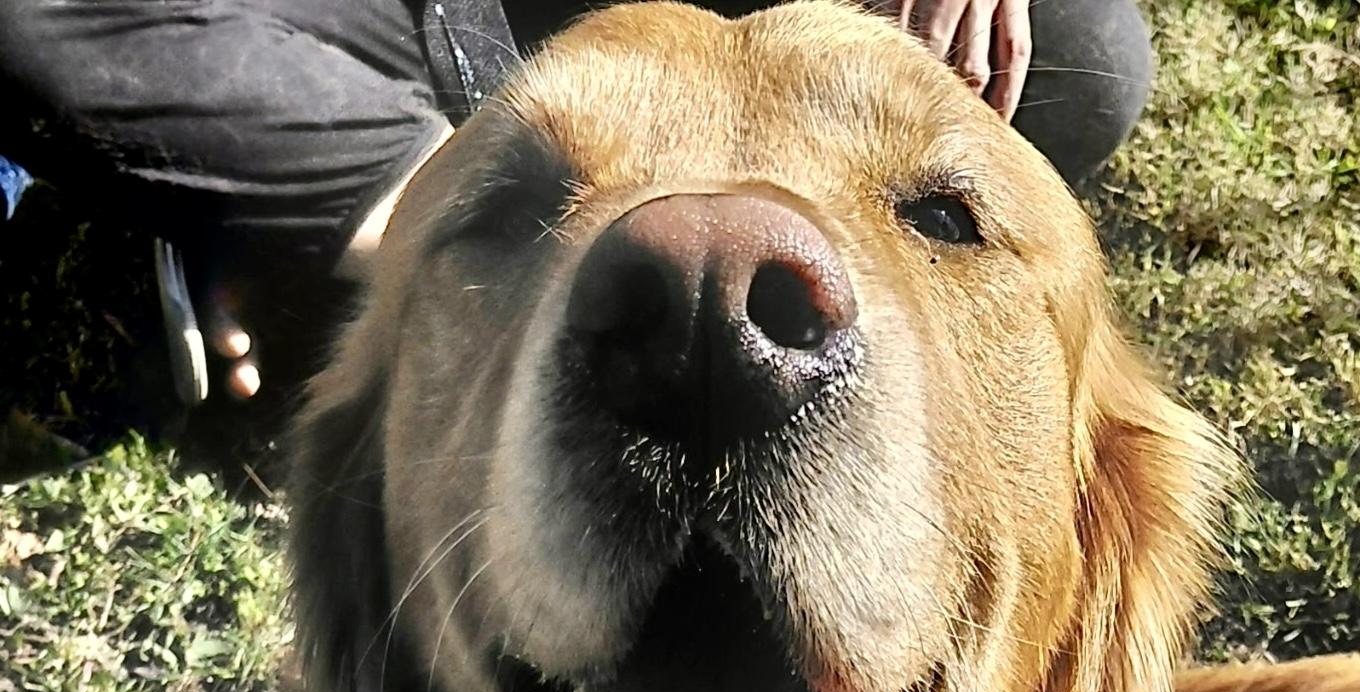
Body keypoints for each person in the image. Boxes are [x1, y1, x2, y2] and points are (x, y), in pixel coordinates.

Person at [0, 0, 1153, 401]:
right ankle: (446, 224)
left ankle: (309, 220)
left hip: (738, 35)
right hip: (416, 29)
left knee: (1083, 56)